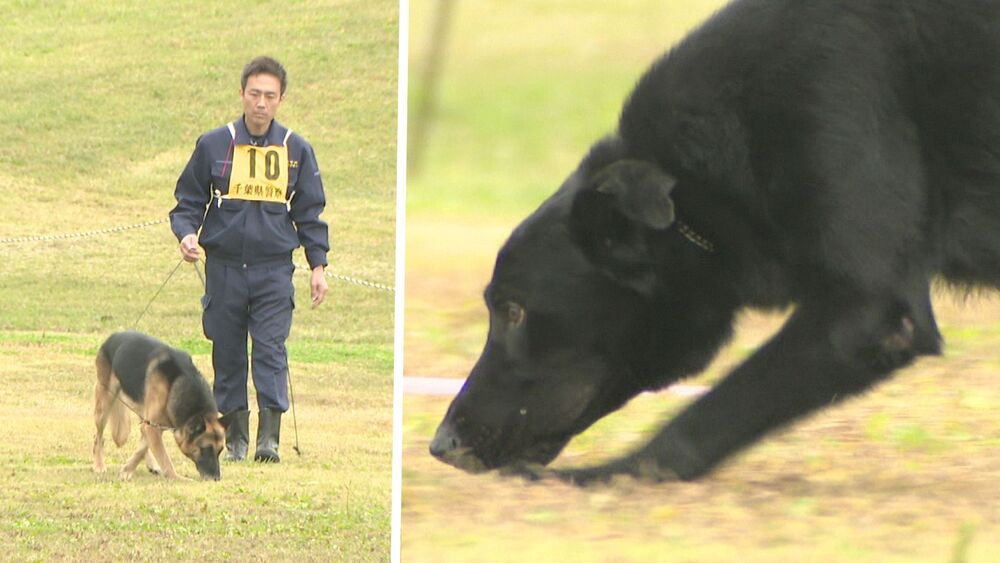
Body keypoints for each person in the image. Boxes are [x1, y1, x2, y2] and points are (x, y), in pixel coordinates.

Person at [169, 56, 329, 463]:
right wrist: (187, 235)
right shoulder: (214, 144)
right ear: (242, 94)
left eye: (269, 96)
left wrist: (318, 266)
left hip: (274, 270)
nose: (261, 103)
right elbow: (187, 202)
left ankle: (268, 439)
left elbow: (309, 213)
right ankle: (235, 438)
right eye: (254, 94)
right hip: (223, 269)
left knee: (271, 351)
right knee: (228, 352)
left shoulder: (297, 149)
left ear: (281, 100)